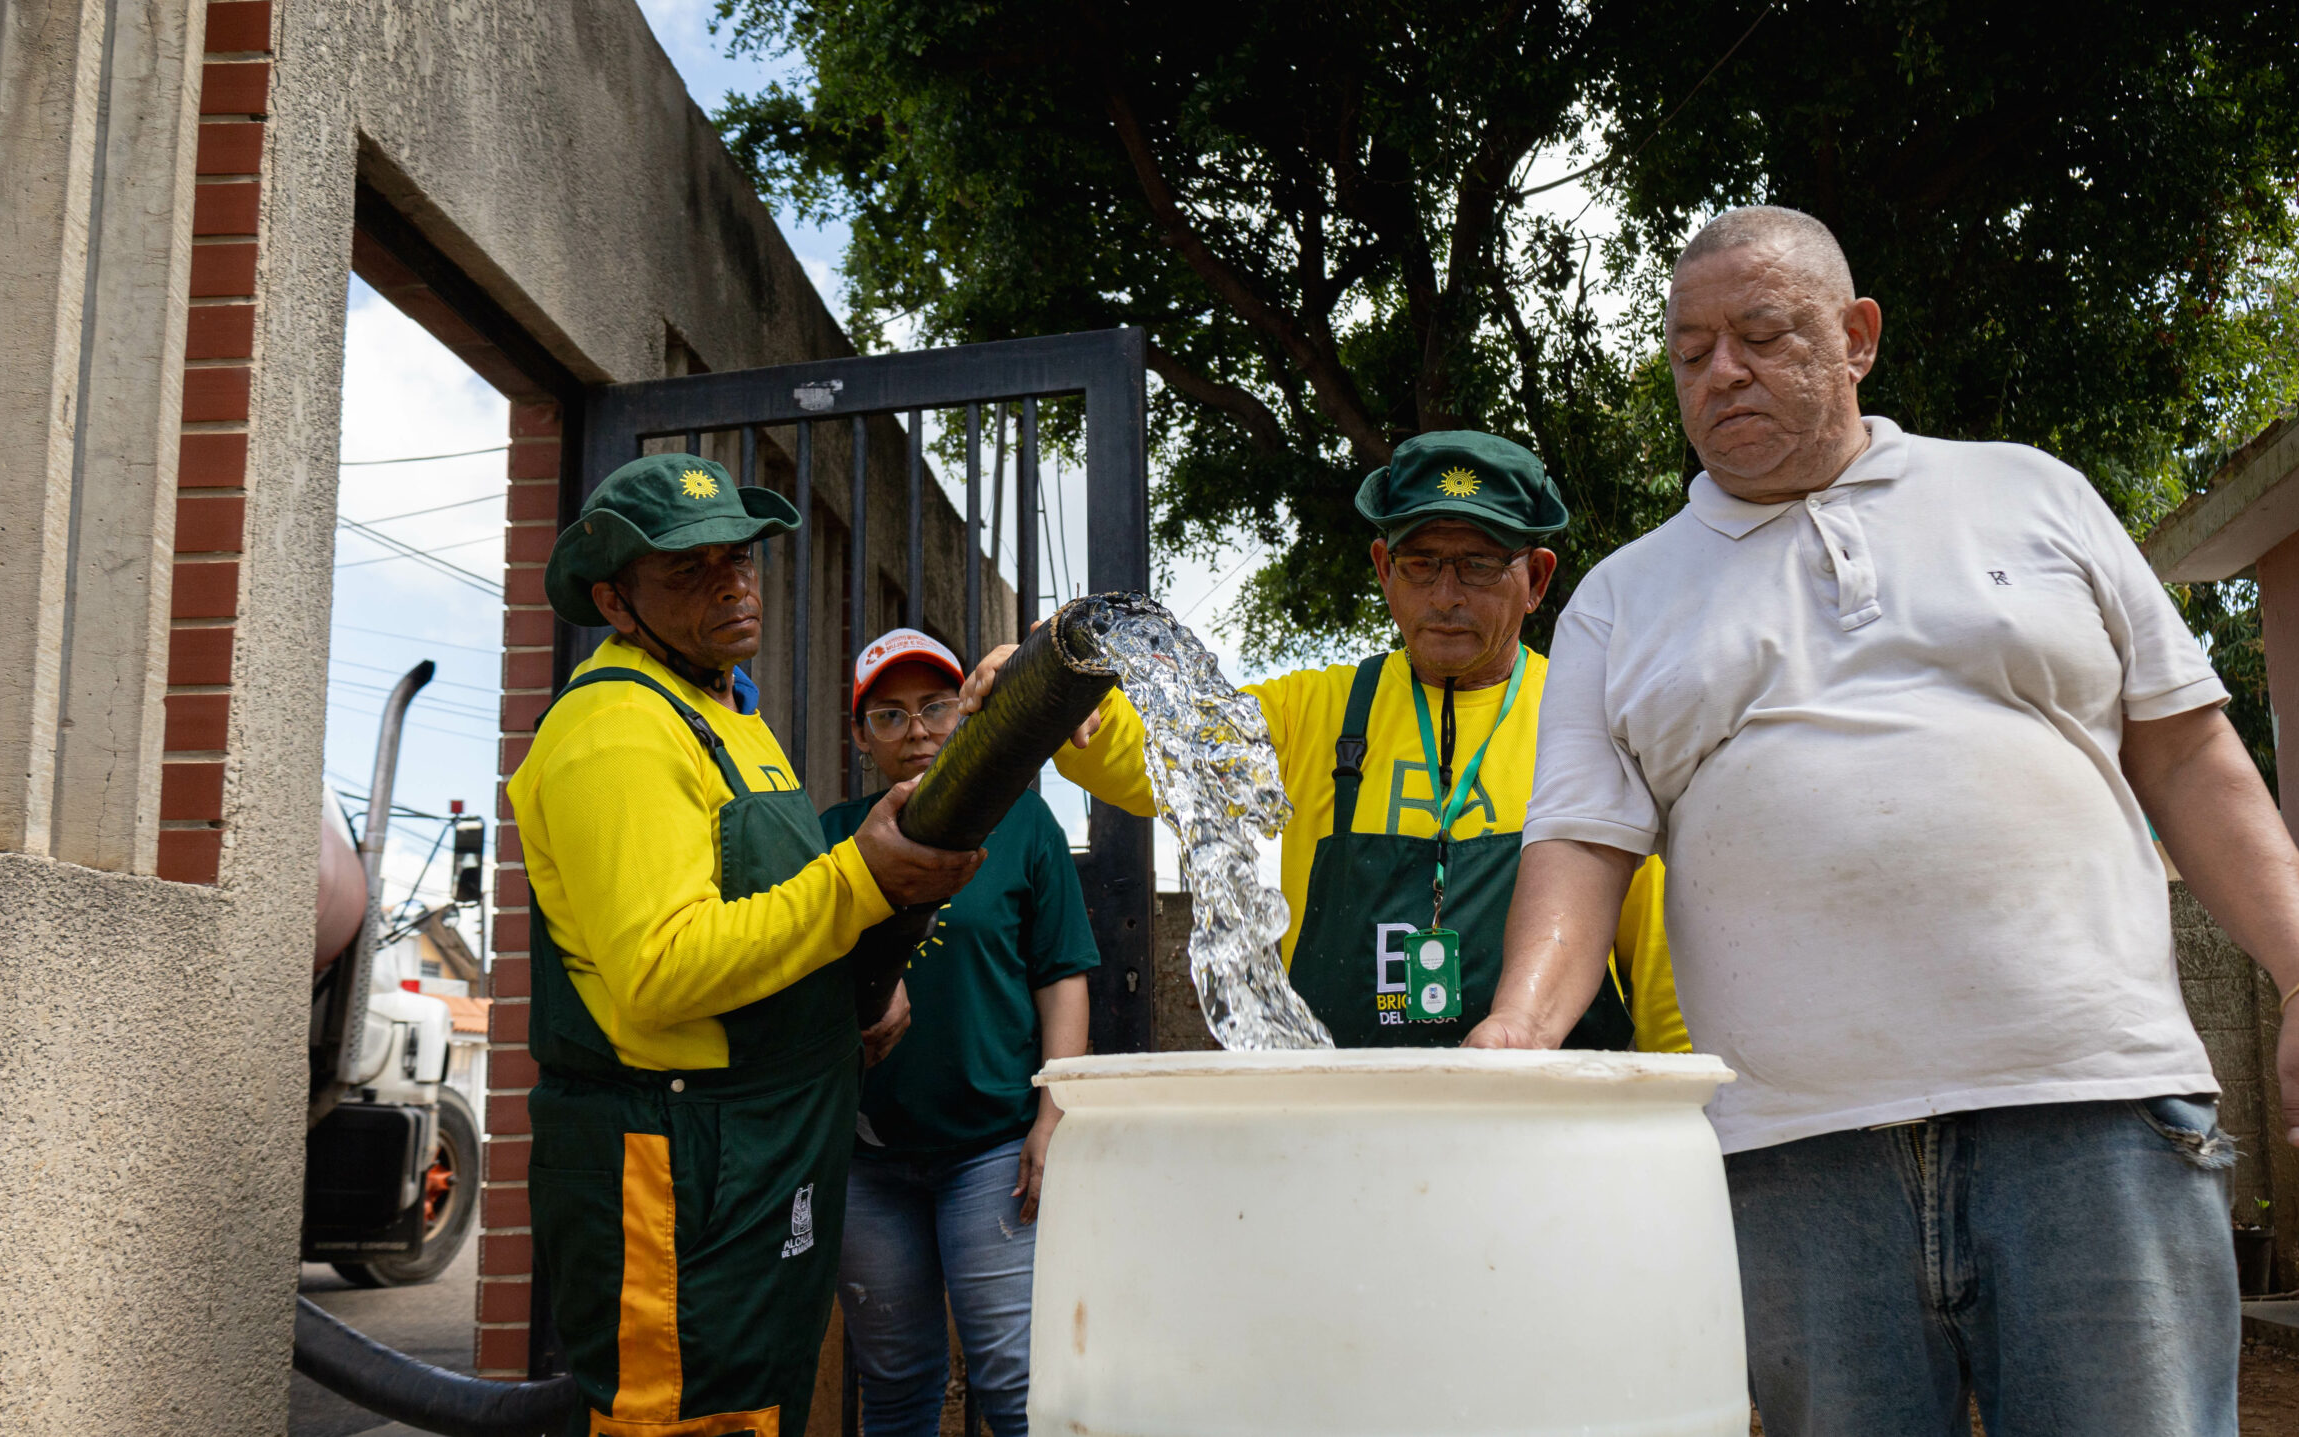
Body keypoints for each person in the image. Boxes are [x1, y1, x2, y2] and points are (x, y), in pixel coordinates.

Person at [1468, 206, 2299, 1436]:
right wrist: (1518, 1033)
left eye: (1760, 334)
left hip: (2093, 1115)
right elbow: (1583, 845)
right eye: (1691, 354)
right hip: (1794, 1156)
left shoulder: (2030, 493)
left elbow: (2188, 758)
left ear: (1855, 338)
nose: (1722, 373)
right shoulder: (1618, 600)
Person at [512, 454, 982, 1437]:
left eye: (742, 558)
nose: (732, 583)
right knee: (681, 1419)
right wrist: (861, 879)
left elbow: (768, 916)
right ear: (614, 598)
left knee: (751, 1407)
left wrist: (854, 999)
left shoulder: (726, 711)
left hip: (760, 1150)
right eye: (690, 570)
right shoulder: (617, 732)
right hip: (677, 1162)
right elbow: (663, 968)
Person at [963, 431, 1669, 1049]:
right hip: (1346, 1126)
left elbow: (1662, 956)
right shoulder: (1318, 708)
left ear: (1537, 578)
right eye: (1421, 562)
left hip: (1551, 1127)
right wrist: (1050, 689)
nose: (1448, 593)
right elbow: (1148, 758)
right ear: (1384, 571)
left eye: (1479, 564)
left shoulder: (1591, 717)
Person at [818, 627, 1097, 1436]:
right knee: (897, 1383)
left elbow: (1062, 975)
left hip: (993, 1154)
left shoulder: (1024, 826)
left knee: (1013, 1381)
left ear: (966, 709)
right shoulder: (835, 835)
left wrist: (1053, 1116)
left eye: (937, 706)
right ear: (861, 735)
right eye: (890, 715)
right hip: (870, 1160)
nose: (918, 732)